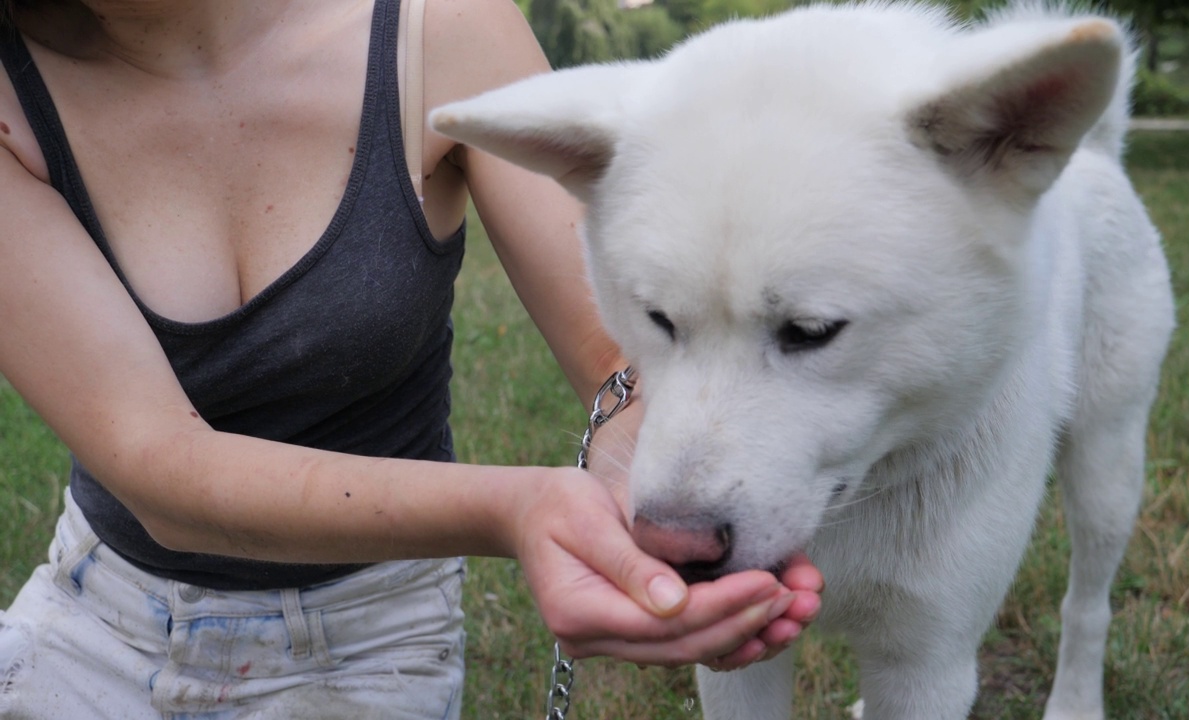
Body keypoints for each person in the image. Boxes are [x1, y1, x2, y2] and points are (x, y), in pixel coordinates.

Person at [0, 0, 823, 717]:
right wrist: (517, 508)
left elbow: (618, 362)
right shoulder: (13, 99)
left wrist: (654, 490)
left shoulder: (436, 28)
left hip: (370, 638)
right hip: (94, 619)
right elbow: (159, 466)